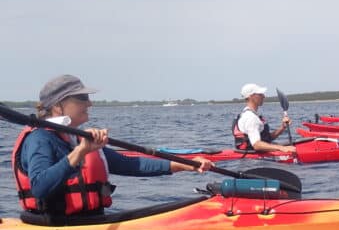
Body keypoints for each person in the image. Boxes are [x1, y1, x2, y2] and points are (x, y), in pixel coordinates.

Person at [12, 74, 214, 222]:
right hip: (57, 225)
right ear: (58, 106)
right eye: (82, 98)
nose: (89, 103)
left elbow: (129, 164)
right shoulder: (40, 139)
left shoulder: (74, 137)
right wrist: (80, 152)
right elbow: (39, 188)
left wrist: (185, 165)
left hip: (88, 221)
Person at [232, 83, 296, 153]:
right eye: (260, 94)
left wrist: (282, 127)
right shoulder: (251, 118)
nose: (264, 96)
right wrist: (281, 148)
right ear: (251, 96)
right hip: (253, 162)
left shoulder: (252, 114)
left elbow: (267, 138)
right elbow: (256, 145)